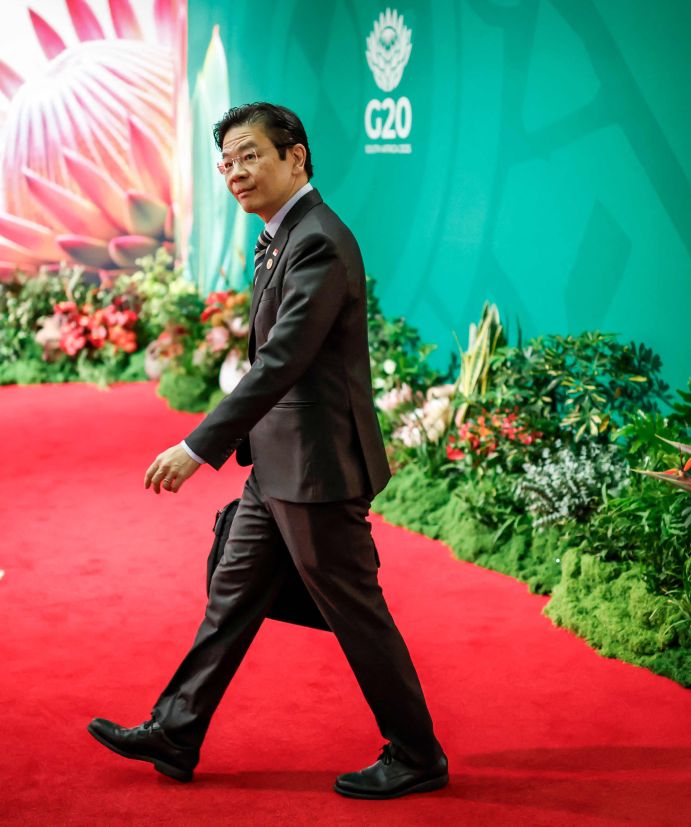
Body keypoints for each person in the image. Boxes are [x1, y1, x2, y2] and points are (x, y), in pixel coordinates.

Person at [87, 103, 447, 800]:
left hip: (315, 468)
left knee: (356, 611)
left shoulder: (317, 240)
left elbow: (280, 360)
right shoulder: (283, 236)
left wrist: (199, 445)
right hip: (277, 462)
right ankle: (177, 726)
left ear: (297, 157)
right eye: (226, 162)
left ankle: (417, 753)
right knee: (231, 594)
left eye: (250, 155)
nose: (235, 173)